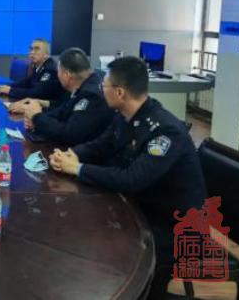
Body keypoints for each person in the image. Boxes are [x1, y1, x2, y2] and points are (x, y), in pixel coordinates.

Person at [49, 56, 206, 268]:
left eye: (104, 86)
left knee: (101, 247)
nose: (100, 89)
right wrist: (72, 155)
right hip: (142, 205)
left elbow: (131, 179)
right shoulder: (124, 114)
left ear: (120, 92)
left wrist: (78, 168)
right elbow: (101, 144)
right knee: (84, 223)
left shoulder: (166, 132)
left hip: (175, 226)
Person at [22, 48, 113, 145]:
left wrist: (37, 117)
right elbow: (62, 111)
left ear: (66, 75)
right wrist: (37, 121)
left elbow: (69, 134)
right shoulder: (82, 84)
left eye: (58, 71)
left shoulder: (91, 96)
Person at [0, 38, 65, 109]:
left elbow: (36, 94)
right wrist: (7, 86)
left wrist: (10, 90)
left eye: (37, 49)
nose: (32, 52)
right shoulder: (38, 66)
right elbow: (26, 82)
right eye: (31, 49)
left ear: (46, 55)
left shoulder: (50, 69)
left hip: (53, 110)